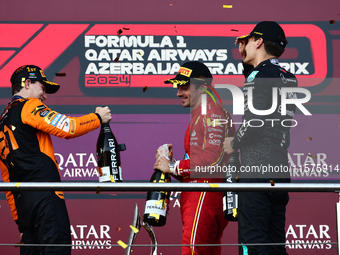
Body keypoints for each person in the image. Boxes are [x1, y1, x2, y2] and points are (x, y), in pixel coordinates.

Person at [0, 65, 112, 255]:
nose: (45, 95)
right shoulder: (29, 106)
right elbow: (68, 127)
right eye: (42, 88)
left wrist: (21, 223)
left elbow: (7, 178)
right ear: (27, 84)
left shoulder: (3, 120)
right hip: (45, 200)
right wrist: (97, 117)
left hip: (24, 208)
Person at [223, 21, 298, 255]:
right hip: (280, 168)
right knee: (275, 244)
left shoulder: (258, 76)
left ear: (259, 41)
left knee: (252, 243)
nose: (244, 46)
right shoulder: (288, 76)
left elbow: (255, 122)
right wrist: (245, 57)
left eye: (248, 41)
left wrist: (233, 145)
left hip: (256, 169)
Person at [154, 61, 235, 255]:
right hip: (199, 193)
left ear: (203, 87)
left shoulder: (212, 113)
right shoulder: (202, 115)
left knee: (193, 250)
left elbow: (213, 160)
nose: (178, 93)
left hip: (204, 195)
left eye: (184, 87)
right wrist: (171, 165)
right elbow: (201, 163)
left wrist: (173, 166)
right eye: (178, 87)